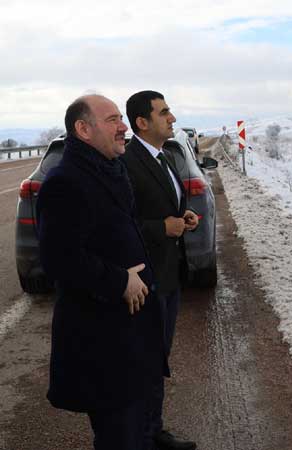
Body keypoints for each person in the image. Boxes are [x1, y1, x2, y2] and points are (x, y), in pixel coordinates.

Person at [37, 94, 166, 450]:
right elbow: (58, 258)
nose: (123, 126)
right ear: (83, 129)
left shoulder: (110, 169)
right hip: (103, 342)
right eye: (112, 120)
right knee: (118, 437)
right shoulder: (65, 181)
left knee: (136, 429)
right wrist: (120, 280)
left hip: (131, 335)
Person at [124, 90, 198, 450]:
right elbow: (119, 222)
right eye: (164, 112)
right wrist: (160, 227)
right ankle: (141, 435)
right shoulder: (127, 161)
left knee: (158, 360)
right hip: (144, 279)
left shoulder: (164, 156)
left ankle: (153, 430)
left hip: (168, 275)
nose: (172, 118)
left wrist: (183, 218)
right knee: (143, 361)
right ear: (142, 122)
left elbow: (166, 206)